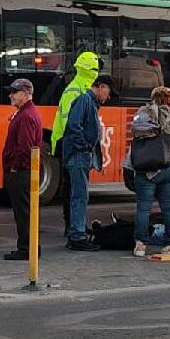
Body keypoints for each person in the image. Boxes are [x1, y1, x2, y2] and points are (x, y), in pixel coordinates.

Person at [129, 86, 170, 257]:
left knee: (144, 207)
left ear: (153, 98)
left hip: (147, 165)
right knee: (169, 207)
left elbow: (135, 132)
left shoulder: (145, 113)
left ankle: (141, 245)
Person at [51, 52, 101, 234]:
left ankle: (75, 226)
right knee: (74, 191)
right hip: (70, 145)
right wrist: (83, 146)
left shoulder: (77, 88)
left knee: (73, 190)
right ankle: (73, 228)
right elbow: (72, 124)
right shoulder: (77, 90)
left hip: (67, 143)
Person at [63, 76, 113, 251]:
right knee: (80, 196)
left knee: (79, 195)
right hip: (79, 155)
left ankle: (77, 233)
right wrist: (83, 147)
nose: (108, 97)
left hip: (79, 154)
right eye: (108, 92)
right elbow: (74, 125)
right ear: (101, 86)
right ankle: (77, 236)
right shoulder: (85, 100)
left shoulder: (88, 102)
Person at [1, 78, 43, 260]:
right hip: (23, 170)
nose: (10, 95)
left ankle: (27, 249)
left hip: (21, 172)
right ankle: (28, 246)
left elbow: (25, 147)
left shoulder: (26, 116)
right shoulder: (25, 113)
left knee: (23, 212)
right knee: (25, 211)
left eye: (14, 92)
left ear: (26, 94)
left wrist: (15, 168)